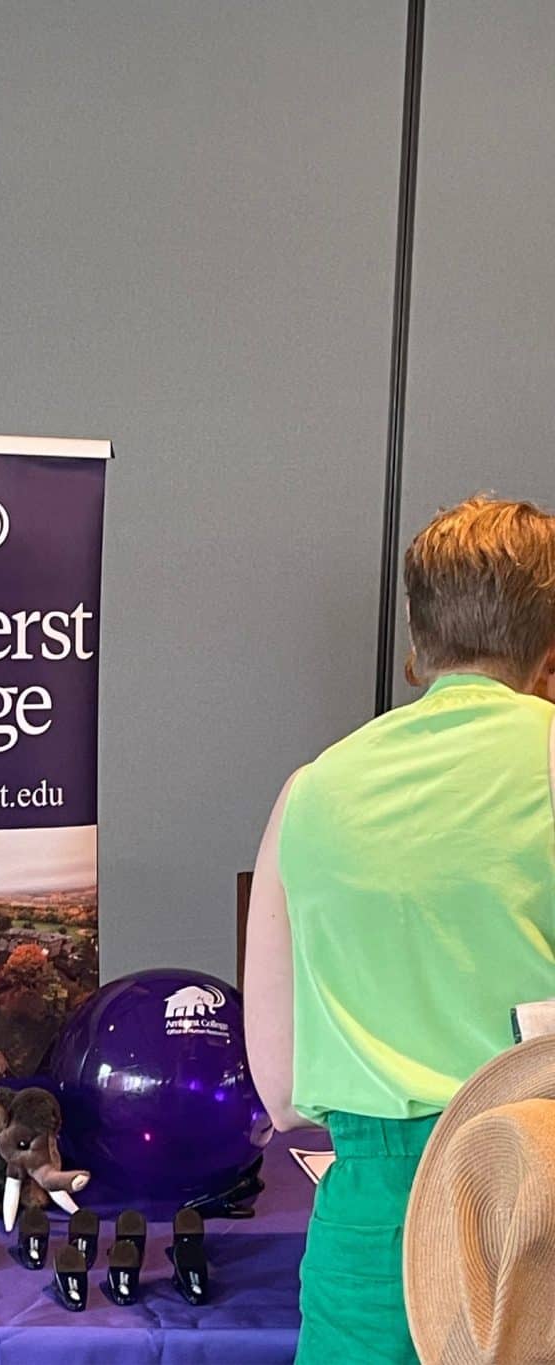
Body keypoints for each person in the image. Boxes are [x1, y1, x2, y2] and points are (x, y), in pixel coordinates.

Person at [243, 495, 555, 1365]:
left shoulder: (309, 792)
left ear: (418, 642)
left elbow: (280, 1088)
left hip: (373, 1242)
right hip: (541, 1219)